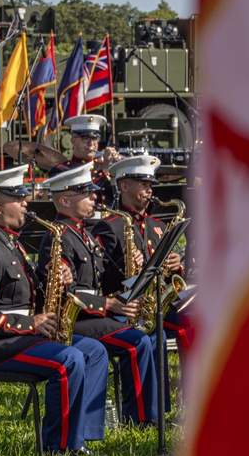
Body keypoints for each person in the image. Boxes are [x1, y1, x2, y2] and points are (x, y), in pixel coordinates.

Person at [0, 165, 109, 456]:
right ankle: (58, 449)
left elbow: (23, 296)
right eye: (18, 197)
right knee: (68, 361)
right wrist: (32, 324)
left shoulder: (8, 242)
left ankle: (80, 438)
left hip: (16, 337)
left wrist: (59, 277)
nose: (27, 202)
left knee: (94, 351)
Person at [38, 163, 159, 429]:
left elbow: (100, 280)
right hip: (76, 318)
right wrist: (110, 304)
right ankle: (139, 418)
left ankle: (144, 413)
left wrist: (132, 265)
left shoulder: (82, 233)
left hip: (92, 313)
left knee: (144, 334)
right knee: (136, 341)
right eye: (87, 193)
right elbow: (65, 295)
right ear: (66, 200)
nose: (95, 197)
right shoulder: (58, 237)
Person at [94, 154, 193, 352]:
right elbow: (100, 281)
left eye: (150, 185)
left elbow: (172, 277)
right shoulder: (109, 227)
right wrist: (125, 263)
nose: (149, 190)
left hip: (158, 303)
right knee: (170, 331)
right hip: (129, 307)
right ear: (124, 186)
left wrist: (175, 266)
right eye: (143, 184)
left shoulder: (158, 226)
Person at [48, 114, 121, 211]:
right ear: (73, 141)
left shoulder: (103, 166)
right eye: (86, 138)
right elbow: (81, 191)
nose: (91, 144)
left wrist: (119, 168)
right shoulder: (61, 170)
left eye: (95, 139)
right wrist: (104, 169)